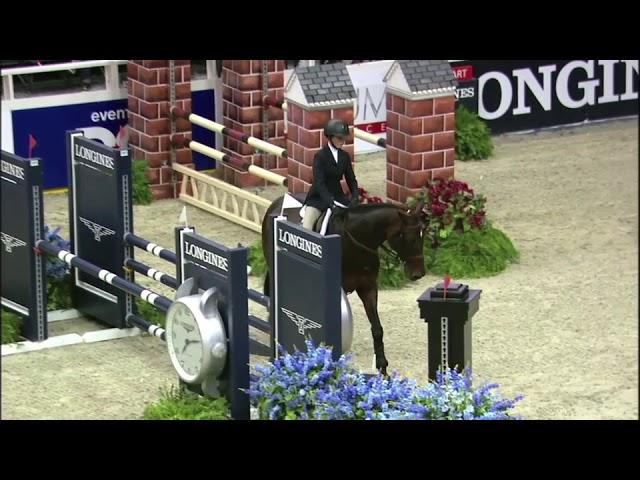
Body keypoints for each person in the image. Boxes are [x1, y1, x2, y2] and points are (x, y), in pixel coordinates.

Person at [302, 119, 359, 231]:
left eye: (344, 138)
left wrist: (355, 196)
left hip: (338, 196)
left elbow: (351, 179)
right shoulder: (320, 156)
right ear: (330, 137)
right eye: (339, 138)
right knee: (307, 227)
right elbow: (319, 183)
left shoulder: (345, 156)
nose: (342, 141)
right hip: (319, 199)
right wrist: (330, 203)